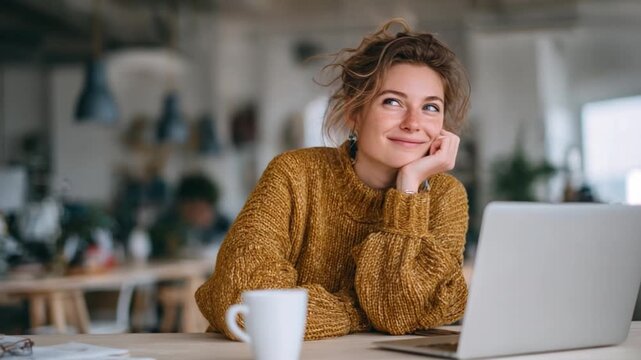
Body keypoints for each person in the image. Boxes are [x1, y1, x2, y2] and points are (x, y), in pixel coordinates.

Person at [195, 18, 471, 340]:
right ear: (355, 112)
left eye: (430, 107)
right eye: (393, 102)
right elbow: (244, 303)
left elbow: (400, 314)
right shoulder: (294, 175)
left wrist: (408, 188)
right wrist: (359, 310)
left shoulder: (444, 196)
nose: (413, 123)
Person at [150, 173, 230, 259]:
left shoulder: (223, 225)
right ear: (180, 205)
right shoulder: (165, 226)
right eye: (192, 208)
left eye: (202, 209)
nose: (196, 214)